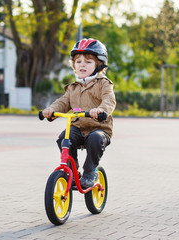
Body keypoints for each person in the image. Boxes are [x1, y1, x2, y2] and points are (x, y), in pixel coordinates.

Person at [42, 38, 116, 188]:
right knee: (64, 138)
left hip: (98, 129)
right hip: (78, 128)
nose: (82, 64)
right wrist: (51, 110)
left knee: (95, 139)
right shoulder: (73, 87)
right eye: (78, 61)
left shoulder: (104, 84)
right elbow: (63, 102)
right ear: (74, 65)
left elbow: (109, 100)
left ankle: (90, 171)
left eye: (88, 62)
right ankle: (72, 170)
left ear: (99, 65)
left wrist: (101, 110)